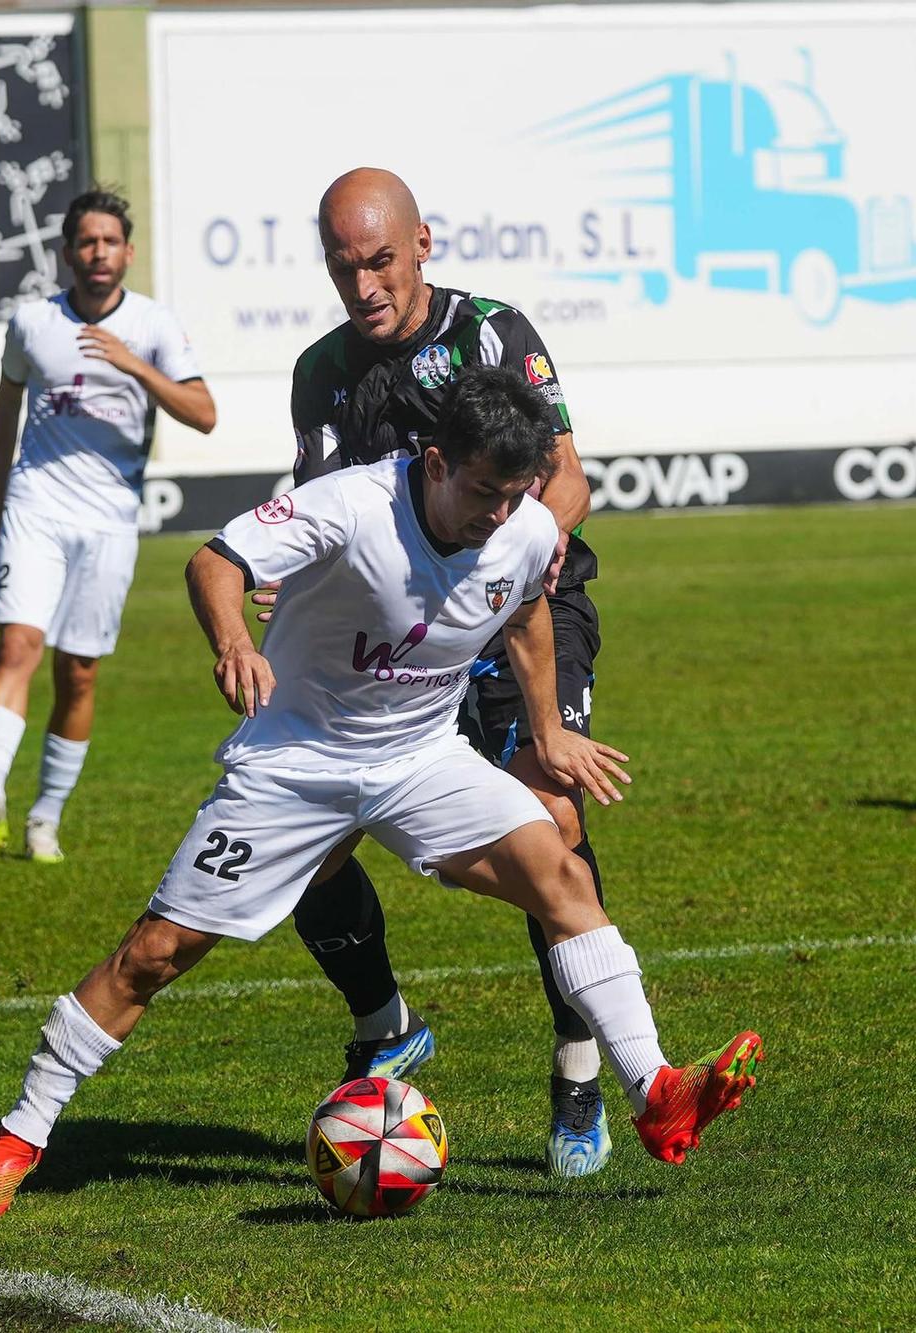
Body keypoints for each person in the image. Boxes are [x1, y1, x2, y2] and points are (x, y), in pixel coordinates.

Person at [0, 368, 759, 1223]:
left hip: (419, 760)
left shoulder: (519, 526)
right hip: (295, 763)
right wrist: (233, 642)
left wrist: (547, 731)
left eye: (514, 494)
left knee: (562, 870)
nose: (497, 513)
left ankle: (655, 1088)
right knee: (152, 954)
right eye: (483, 490)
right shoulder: (352, 505)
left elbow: (525, 616)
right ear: (437, 461)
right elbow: (215, 561)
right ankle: (19, 1137)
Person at [280, 167, 620, 1177]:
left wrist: (501, 561)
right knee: (301, 826)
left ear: (421, 244)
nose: (363, 286)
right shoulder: (321, 372)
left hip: (519, 611)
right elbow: (324, 516)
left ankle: (576, 1068)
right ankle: (384, 1021)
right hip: (397, 635)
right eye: (343, 269)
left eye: (379, 261)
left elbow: (568, 478)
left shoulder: (493, 335)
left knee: (549, 827)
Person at [0, 189, 216, 864]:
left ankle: (45, 817)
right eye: (86, 241)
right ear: (67, 252)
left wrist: (133, 364)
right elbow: (7, 399)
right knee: (18, 647)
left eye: (110, 241)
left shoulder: (155, 326)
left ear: (128, 253)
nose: (98, 252)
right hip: (36, 505)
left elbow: (204, 412)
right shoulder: (32, 323)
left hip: (109, 521)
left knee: (78, 674)